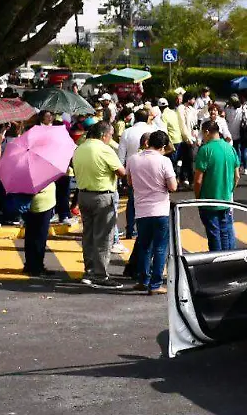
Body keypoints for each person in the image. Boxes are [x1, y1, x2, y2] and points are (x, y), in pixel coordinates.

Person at [73, 121, 127, 288]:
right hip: (102, 196)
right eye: (110, 135)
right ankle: (100, 275)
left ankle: (89, 271)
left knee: (88, 235)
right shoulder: (104, 149)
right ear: (104, 135)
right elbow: (121, 172)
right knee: (104, 237)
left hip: (83, 195)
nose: (110, 138)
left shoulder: (79, 148)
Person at [125, 130, 176, 294]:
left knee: (144, 247)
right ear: (162, 146)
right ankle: (155, 285)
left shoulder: (133, 159)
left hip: (141, 210)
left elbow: (130, 182)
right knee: (160, 248)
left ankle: (143, 280)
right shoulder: (164, 161)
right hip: (160, 209)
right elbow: (173, 186)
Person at [194, 120, 241, 251]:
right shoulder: (230, 148)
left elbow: (198, 180)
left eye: (203, 133)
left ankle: (215, 260)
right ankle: (225, 260)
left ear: (207, 132)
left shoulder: (205, 150)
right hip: (226, 200)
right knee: (225, 233)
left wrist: (198, 199)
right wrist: (229, 190)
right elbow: (237, 176)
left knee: (214, 235)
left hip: (209, 201)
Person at [118, 108, 153, 240]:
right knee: (148, 201)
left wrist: (122, 175)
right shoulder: (153, 130)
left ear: (135, 119)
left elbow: (121, 155)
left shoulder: (127, 132)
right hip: (151, 170)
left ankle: (130, 230)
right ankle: (144, 229)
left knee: (132, 201)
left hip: (132, 170)